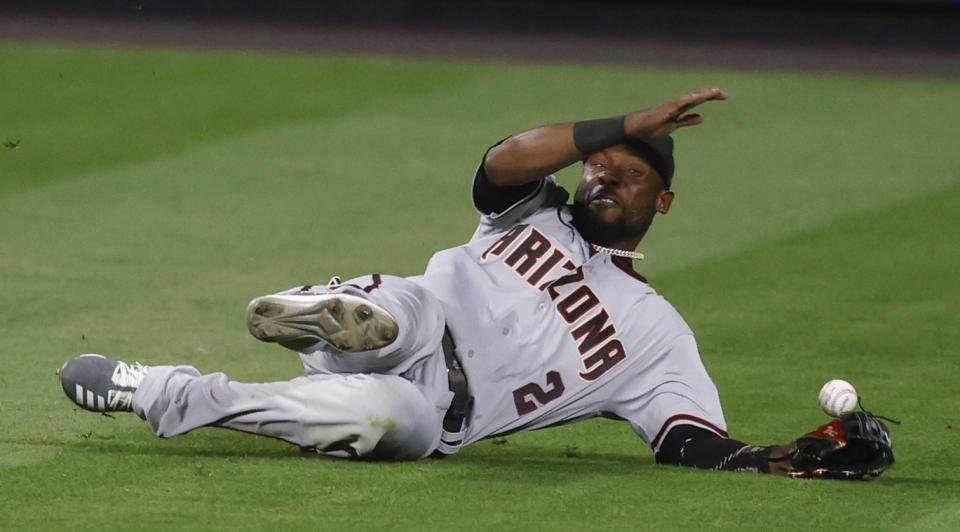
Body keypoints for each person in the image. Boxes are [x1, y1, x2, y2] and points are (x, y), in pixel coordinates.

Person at [57, 88, 893, 477]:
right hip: (419, 316)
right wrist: (622, 124)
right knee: (409, 312)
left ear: (663, 202)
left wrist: (787, 456)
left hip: (440, 416)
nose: (604, 177)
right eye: (598, 165)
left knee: (400, 419)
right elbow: (499, 162)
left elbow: (687, 437)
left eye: (629, 173)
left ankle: (158, 389)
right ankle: (335, 316)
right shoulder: (531, 214)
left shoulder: (655, 333)